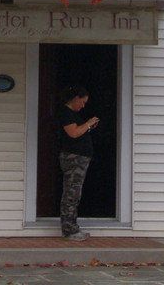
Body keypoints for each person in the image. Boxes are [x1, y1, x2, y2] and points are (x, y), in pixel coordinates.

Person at [57, 85, 100, 241]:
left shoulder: (73, 114)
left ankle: (73, 226)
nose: (83, 106)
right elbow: (73, 133)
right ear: (75, 98)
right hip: (73, 158)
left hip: (80, 158)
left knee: (75, 193)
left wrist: (88, 127)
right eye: (82, 102)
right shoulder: (66, 113)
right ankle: (69, 229)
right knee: (71, 193)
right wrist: (88, 123)